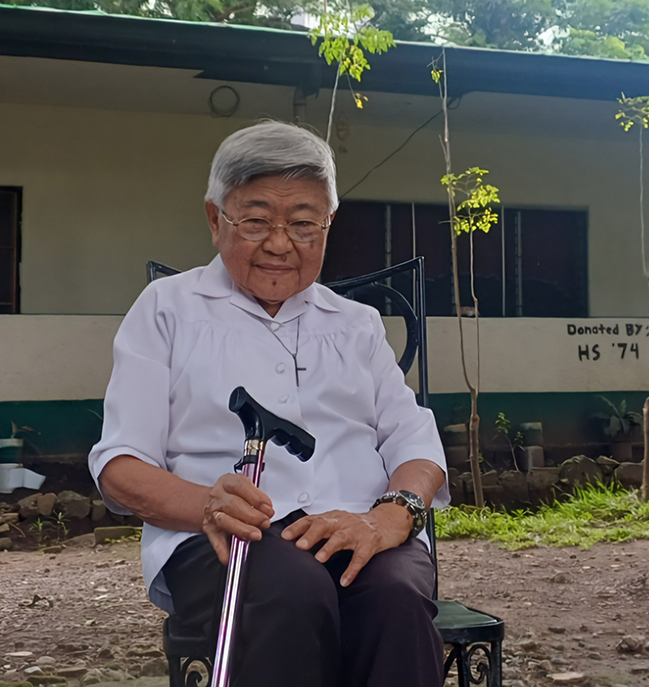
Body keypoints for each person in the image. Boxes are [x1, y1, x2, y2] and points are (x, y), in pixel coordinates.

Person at [88, 121, 449, 687]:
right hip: (228, 538)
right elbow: (121, 467)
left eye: (304, 224)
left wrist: (390, 515)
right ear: (215, 219)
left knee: (395, 599)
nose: (281, 244)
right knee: (291, 588)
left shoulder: (356, 325)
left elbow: (415, 442)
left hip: (358, 526)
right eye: (256, 221)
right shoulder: (169, 310)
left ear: (328, 225)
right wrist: (207, 503)